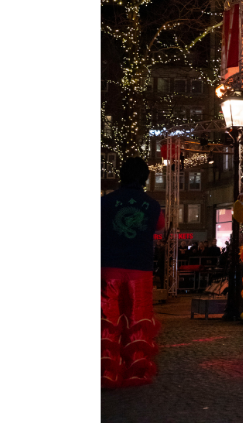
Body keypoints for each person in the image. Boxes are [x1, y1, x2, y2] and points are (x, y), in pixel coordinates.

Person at [100, 157, 165, 388]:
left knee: (108, 321)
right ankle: (136, 370)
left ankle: (107, 372)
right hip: (140, 269)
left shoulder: (105, 202)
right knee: (138, 320)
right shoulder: (153, 205)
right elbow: (160, 227)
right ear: (145, 178)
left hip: (109, 267)